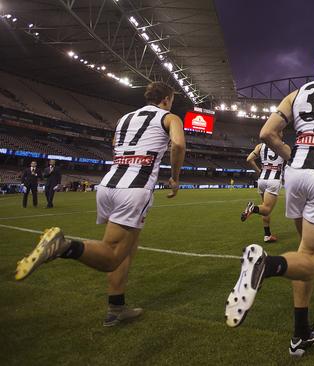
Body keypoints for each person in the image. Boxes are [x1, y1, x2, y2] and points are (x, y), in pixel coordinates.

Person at [224, 47, 314, 357]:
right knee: (311, 258)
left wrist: (292, 155)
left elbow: (267, 133)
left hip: (296, 176)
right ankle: (266, 265)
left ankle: (300, 334)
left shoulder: (296, 94)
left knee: (304, 252)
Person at [15, 82, 186, 327]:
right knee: (112, 256)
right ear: (167, 99)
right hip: (134, 188)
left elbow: (116, 145)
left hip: (108, 185)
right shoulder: (170, 117)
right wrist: (175, 177)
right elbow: (178, 144)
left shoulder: (125, 118)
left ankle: (116, 308)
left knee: (126, 249)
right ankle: (63, 246)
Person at [241, 139, 285, 243]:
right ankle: (252, 208)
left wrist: (259, 171)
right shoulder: (283, 146)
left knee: (264, 207)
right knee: (267, 209)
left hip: (262, 179)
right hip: (274, 179)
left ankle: (267, 235)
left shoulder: (260, 146)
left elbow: (249, 159)